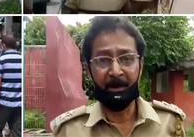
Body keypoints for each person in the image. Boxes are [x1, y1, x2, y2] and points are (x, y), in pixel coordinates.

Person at [51, 16, 186, 137]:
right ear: (87, 70)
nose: (115, 71)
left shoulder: (170, 123)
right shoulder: (68, 131)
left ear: (141, 65)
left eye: (127, 59)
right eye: (103, 60)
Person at [0, 35, 22, 137]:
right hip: (19, 104)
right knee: (16, 131)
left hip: (3, 103)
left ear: (3, 45)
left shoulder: (1, 59)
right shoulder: (22, 58)